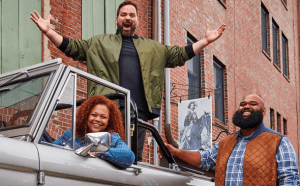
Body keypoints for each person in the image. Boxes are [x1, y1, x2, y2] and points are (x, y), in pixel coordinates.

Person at [30, 1, 226, 161]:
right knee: (97, 153)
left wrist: (205, 41)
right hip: (107, 109)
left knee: (133, 158)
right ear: (117, 19)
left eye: (132, 15)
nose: (127, 18)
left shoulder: (153, 48)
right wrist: (49, 32)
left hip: (136, 112)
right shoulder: (99, 42)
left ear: (137, 21)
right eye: (123, 14)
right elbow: (72, 48)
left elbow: (178, 55)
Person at [165, 94, 300, 185]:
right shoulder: (225, 142)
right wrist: (176, 152)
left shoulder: (279, 142)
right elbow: (203, 159)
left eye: (253, 104)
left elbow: (289, 180)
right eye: (242, 104)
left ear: (263, 111)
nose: (246, 106)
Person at [53, 95, 135, 168]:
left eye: (103, 117)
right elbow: (50, 151)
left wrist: (97, 149)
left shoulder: (113, 139)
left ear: (109, 121)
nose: (97, 119)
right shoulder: (70, 135)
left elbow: (129, 157)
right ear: (86, 116)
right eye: (94, 115)